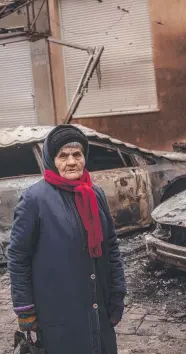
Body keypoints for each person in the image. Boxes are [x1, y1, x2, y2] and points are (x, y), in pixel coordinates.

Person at [8, 124, 127, 354]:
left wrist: (117, 294)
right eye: (63, 155)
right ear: (51, 159)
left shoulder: (95, 194)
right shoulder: (35, 200)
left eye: (77, 154)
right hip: (58, 312)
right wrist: (25, 310)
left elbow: (111, 246)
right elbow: (18, 257)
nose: (71, 162)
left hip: (97, 306)